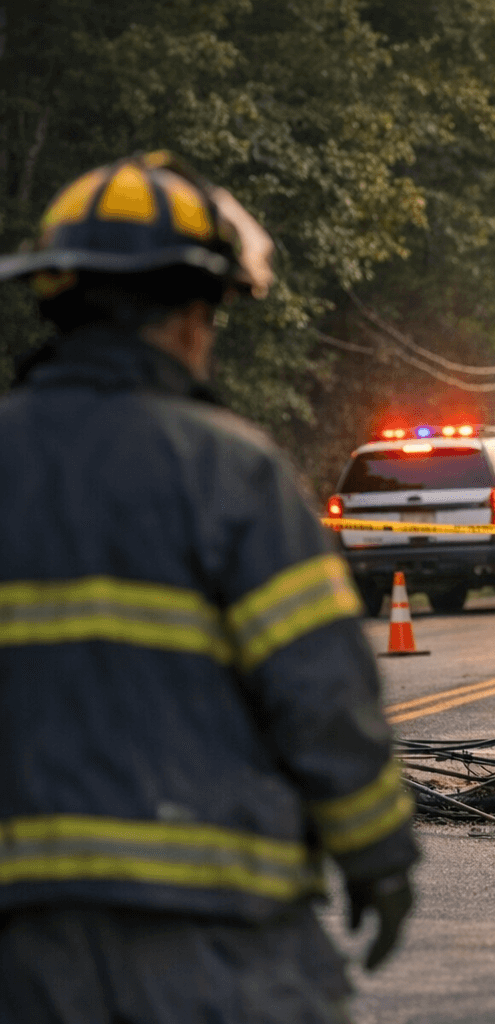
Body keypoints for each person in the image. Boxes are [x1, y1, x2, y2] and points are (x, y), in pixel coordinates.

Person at [0, 153, 418, 1022]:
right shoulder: (231, 471)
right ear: (192, 313)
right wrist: (376, 853)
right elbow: (322, 692)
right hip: (214, 938)